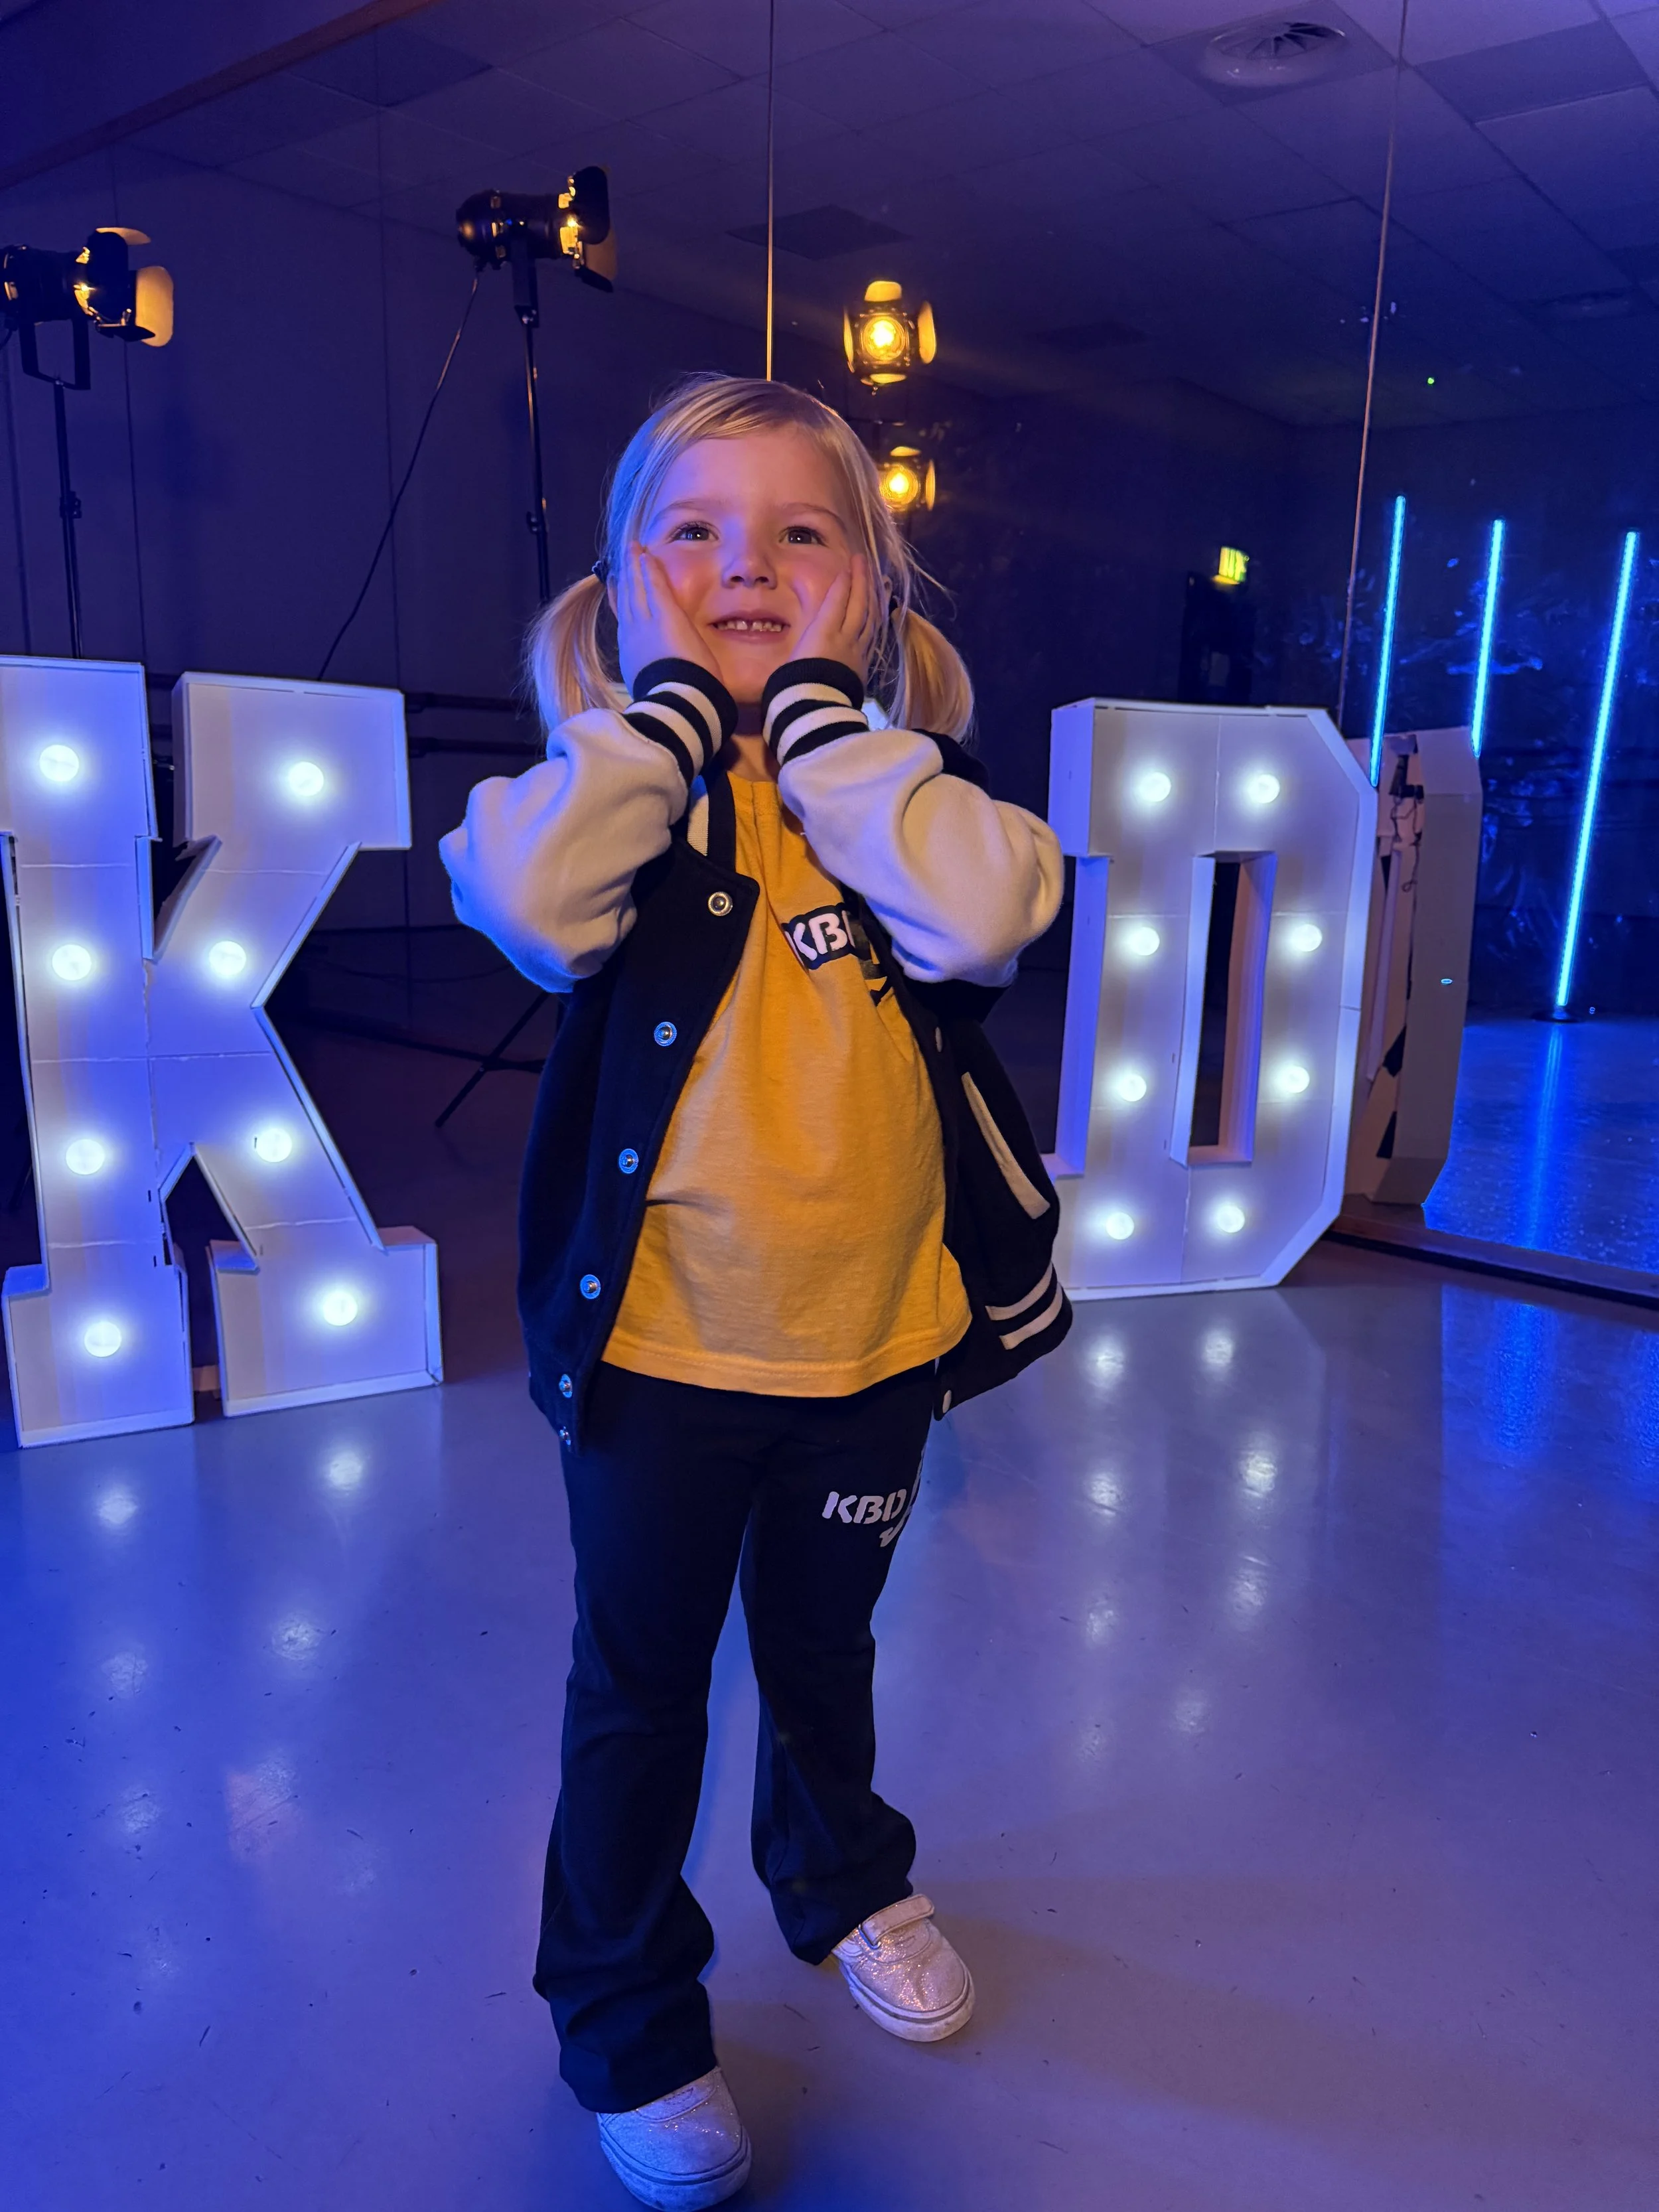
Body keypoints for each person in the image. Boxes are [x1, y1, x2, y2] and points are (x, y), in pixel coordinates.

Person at [441, 373, 1069, 2209]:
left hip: (871, 1347)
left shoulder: (896, 798)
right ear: (627, 580)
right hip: (660, 1358)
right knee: (638, 1692)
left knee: (821, 1651)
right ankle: (627, 2014)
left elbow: (987, 915)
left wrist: (816, 719)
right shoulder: (618, 804)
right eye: (696, 533)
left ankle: (840, 1872)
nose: (749, 566)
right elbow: (526, 900)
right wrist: (659, 714)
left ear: (870, 587)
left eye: (804, 533)